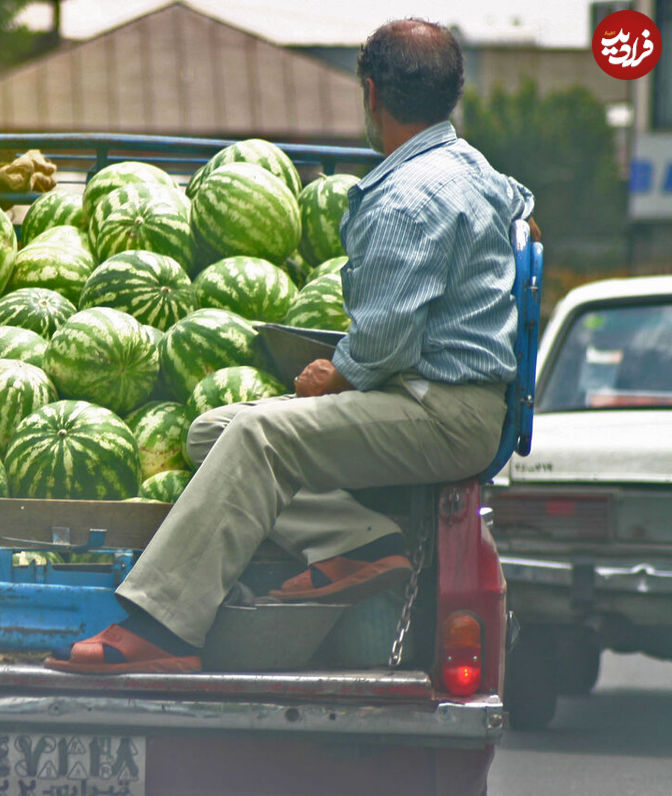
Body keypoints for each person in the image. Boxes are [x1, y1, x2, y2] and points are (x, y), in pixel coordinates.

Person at [45, 17, 540, 675]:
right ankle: (359, 544)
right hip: (452, 403)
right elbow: (523, 212)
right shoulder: (471, 168)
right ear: (451, 94)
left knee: (258, 436)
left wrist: (332, 375)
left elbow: (385, 342)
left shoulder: (407, 195)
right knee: (214, 432)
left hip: (440, 411)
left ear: (370, 94)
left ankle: (164, 629)